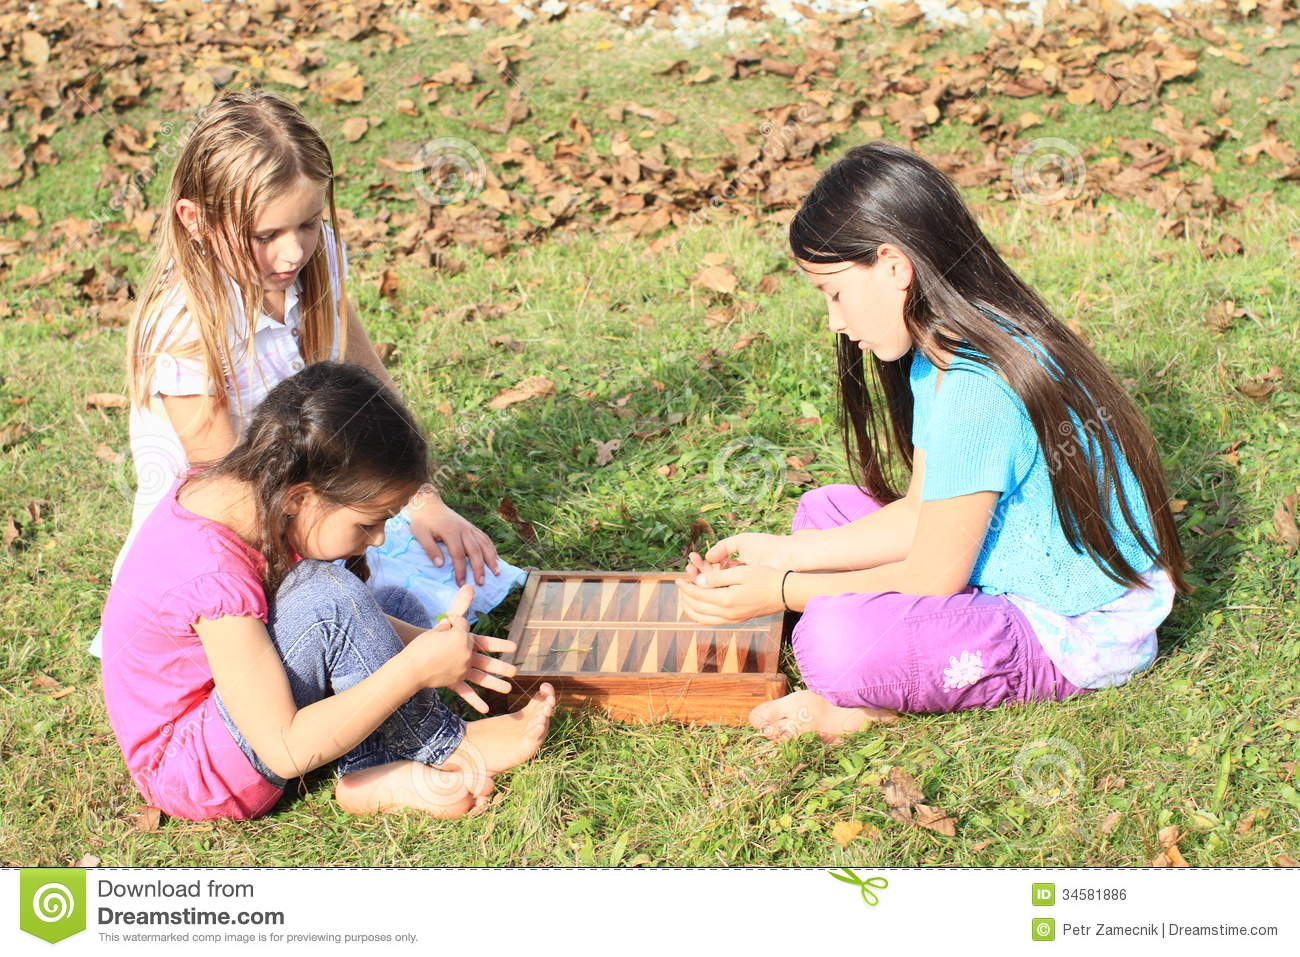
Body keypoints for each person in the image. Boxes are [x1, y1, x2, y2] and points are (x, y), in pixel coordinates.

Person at [678, 142, 1187, 742]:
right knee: (822, 513)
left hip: (1071, 622)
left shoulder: (978, 388)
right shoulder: (939, 354)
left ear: (895, 266)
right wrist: (776, 553)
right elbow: (919, 511)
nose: (834, 322)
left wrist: (782, 588)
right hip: (987, 559)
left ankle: (866, 703)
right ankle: (873, 639)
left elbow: (932, 575)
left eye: (835, 293)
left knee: (833, 643)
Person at [90, 88, 510, 657]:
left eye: (308, 225)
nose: (292, 254)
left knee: (430, 582)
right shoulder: (183, 328)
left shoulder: (316, 258)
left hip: (316, 506)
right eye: (265, 236)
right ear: (194, 219)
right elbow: (228, 495)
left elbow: (365, 383)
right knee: (344, 624)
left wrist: (422, 500)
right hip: (240, 541)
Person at [100, 362, 554, 821]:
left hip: (232, 713)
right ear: (299, 498)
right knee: (328, 595)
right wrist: (414, 669)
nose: (377, 539)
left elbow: (347, 624)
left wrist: (424, 643)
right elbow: (283, 750)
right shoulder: (211, 574)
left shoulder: (245, 497)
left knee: (392, 605)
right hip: (197, 771)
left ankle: (370, 770)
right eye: (368, 522)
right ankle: (444, 742)